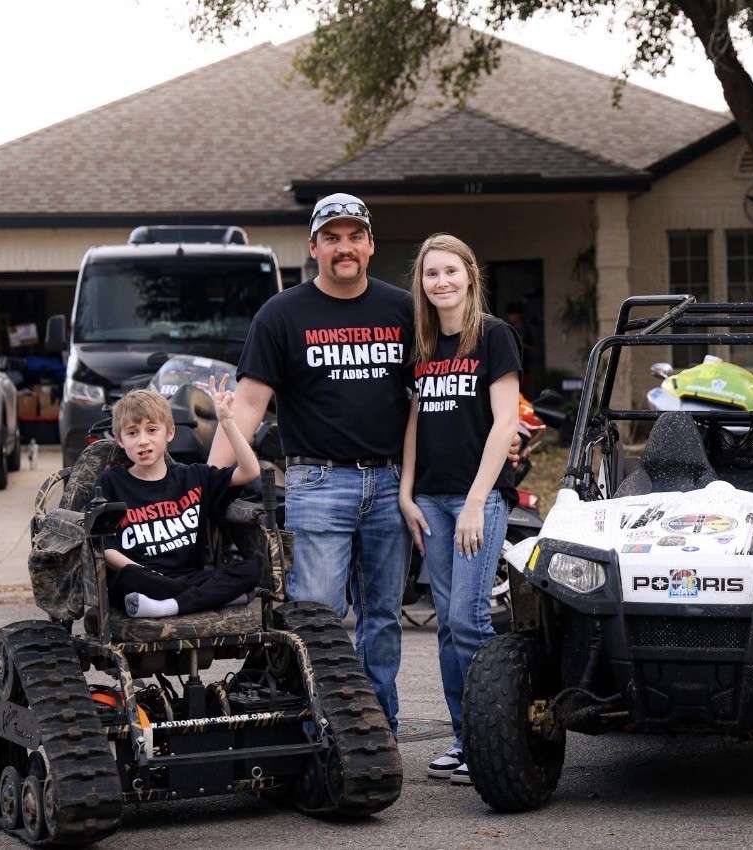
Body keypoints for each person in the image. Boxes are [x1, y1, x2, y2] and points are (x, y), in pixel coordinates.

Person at [208, 193, 412, 730]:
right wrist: (207, 485)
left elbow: (435, 394)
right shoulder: (282, 314)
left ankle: (378, 729)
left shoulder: (403, 310)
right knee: (317, 617)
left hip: (391, 482)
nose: (344, 248)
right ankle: (321, 732)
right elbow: (248, 404)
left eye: (354, 237)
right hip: (318, 483)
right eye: (332, 238)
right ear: (314, 247)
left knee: (383, 617)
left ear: (370, 245)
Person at [399, 234, 520, 786]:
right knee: (448, 625)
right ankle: (463, 737)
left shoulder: (493, 336)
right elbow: (414, 420)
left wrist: (475, 501)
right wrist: (406, 493)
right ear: (421, 283)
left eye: (451, 271)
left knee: (470, 620)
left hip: (478, 500)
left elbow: (506, 423)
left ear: (470, 274)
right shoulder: (422, 343)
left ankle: (495, 740)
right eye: (431, 273)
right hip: (430, 499)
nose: (441, 281)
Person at [97, 381, 262, 618]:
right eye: (132, 433)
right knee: (127, 577)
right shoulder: (111, 482)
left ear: (170, 433)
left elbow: (250, 471)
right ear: (120, 440)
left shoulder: (193, 476)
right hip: (142, 578)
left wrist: (227, 422)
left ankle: (167, 607)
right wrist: (146, 574)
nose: (142, 441)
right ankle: (214, 597)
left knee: (252, 569)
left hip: (189, 576)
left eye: (151, 430)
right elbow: (105, 546)